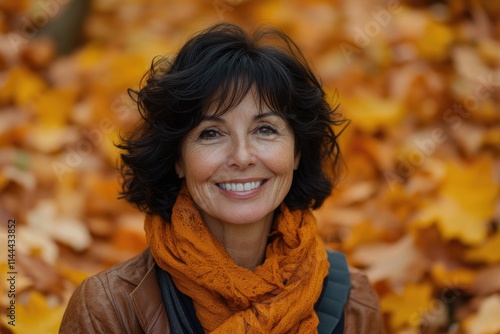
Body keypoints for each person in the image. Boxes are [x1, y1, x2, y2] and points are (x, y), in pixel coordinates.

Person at [60, 23, 384, 333]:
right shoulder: (110, 311)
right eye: (211, 133)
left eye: (265, 130)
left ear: (297, 152)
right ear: (178, 160)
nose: (242, 157)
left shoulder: (353, 305)